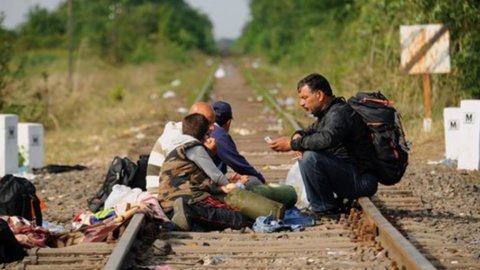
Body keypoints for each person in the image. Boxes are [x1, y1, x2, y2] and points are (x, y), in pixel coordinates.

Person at [268, 73, 378, 217]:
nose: (301, 103)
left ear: (319, 95)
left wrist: (293, 144)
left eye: (305, 98)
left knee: (310, 157)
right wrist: (298, 135)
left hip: (362, 181)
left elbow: (327, 139)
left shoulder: (338, 113)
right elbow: (308, 131)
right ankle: (325, 204)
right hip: (350, 175)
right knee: (307, 152)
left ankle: (324, 208)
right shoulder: (327, 114)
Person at [158, 113, 250, 231]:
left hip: (167, 203)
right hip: (188, 200)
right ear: (205, 133)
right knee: (239, 218)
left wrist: (221, 186)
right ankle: (188, 212)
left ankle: (185, 218)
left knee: (209, 221)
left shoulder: (176, 147)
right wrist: (231, 185)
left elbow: (199, 178)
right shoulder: (194, 147)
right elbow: (216, 176)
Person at [146, 102, 216, 192]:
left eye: (213, 123)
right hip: (159, 192)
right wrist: (208, 153)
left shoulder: (190, 134)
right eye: (209, 123)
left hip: (172, 187)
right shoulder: (175, 138)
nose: (213, 128)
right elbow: (184, 169)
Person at [211, 101, 265, 188]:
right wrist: (259, 178)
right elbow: (238, 163)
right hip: (210, 185)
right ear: (228, 122)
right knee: (253, 181)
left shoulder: (205, 129)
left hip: (205, 179)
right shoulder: (220, 136)